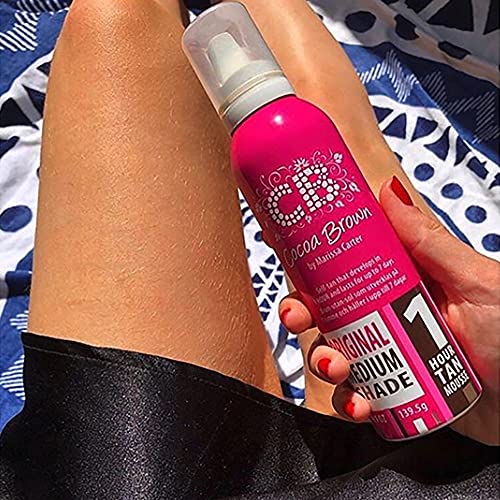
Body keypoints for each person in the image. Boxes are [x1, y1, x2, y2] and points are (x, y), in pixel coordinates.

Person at [0, 0, 498, 498]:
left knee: (113, 18)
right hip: (455, 454)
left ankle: (336, 134)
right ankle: (343, 138)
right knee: (349, 197)